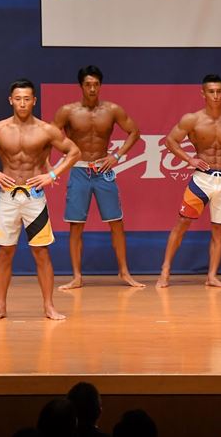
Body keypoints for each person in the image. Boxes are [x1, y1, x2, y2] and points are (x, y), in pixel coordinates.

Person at [0, 79, 80, 320]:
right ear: (11, 100)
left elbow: (74, 152)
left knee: (41, 252)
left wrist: (52, 175)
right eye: (18, 99)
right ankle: (0, 306)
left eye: (27, 99)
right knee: (5, 252)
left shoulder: (46, 130)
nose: (22, 103)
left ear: (34, 101)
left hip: (35, 198)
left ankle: (49, 306)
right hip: (8, 197)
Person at [157, 74, 221, 288]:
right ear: (202, 93)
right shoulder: (192, 119)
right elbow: (170, 140)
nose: (215, 96)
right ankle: (165, 270)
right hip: (202, 179)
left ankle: (212, 276)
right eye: (211, 91)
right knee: (182, 223)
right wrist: (189, 159)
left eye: (219, 91)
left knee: (218, 230)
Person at [52, 65, 143, 289]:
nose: (92, 89)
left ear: (100, 85)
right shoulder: (67, 111)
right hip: (79, 170)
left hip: (103, 171)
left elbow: (134, 132)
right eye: (88, 85)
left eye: (96, 85)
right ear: (81, 86)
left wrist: (117, 156)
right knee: (76, 225)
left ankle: (124, 272)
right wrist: (51, 164)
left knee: (116, 223)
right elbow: (48, 135)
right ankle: (76, 276)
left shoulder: (112, 110)